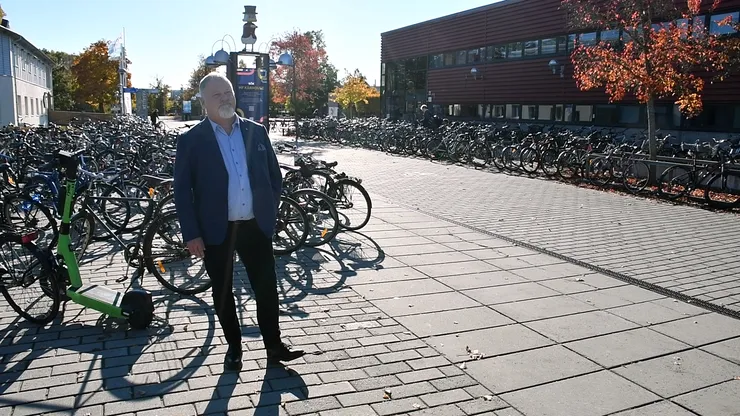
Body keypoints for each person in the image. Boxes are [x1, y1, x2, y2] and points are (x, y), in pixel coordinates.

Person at [173, 73, 304, 371]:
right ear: (204, 101)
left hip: (254, 227)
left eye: (228, 92)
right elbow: (182, 191)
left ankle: (274, 346)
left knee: (267, 288)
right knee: (222, 293)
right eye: (217, 95)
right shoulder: (191, 141)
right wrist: (191, 233)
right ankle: (234, 347)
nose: (225, 99)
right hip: (216, 231)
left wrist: (268, 212)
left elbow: (274, 176)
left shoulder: (256, 132)